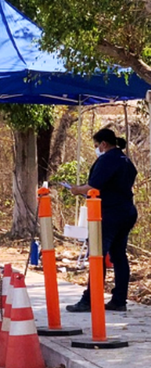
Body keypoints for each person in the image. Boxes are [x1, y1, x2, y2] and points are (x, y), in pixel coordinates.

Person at [66, 128, 137, 313]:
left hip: (108, 214)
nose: (96, 149)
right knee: (119, 255)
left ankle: (90, 298)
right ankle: (119, 299)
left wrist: (76, 189)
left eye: (97, 145)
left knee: (97, 255)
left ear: (104, 144)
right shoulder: (126, 161)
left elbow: (93, 186)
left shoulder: (107, 160)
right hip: (126, 211)